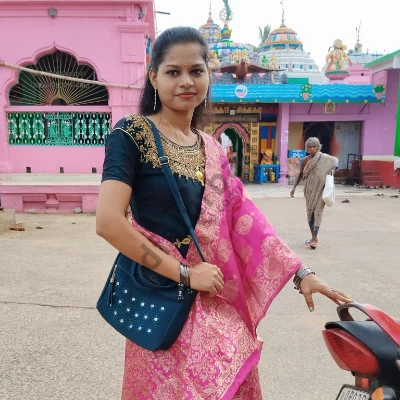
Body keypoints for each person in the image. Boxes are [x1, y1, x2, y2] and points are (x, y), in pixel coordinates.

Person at [96, 27, 351, 399]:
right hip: (162, 303)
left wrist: (301, 273)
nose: (186, 81)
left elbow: (245, 219)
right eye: (173, 71)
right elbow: (109, 223)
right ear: (153, 77)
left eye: (196, 71)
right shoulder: (132, 134)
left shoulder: (212, 149)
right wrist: (186, 274)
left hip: (213, 299)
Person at [290, 137, 338, 250]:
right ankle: (313, 237)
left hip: (321, 190)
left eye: (314, 146)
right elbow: (301, 174)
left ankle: (314, 239)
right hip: (309, 191)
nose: (312, 149)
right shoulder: (305, 160)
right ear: (306, 148)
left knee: (318, 214)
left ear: (318, 147)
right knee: (310, 215)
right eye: (309, 147)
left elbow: (335, 163)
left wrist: (332, 172)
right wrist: (294, 187)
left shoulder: (325, 158)